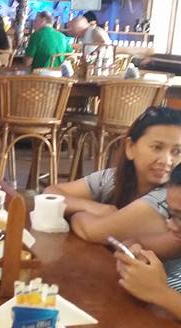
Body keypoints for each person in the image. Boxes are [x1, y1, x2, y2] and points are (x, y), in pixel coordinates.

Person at [47, 107, 181, 224]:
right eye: (157, 147)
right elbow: (50, 193)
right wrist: (92, 207)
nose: (166, 160)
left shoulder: (170, 195)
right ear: (130, 147)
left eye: (177, 151)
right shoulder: (112, 178)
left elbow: (95, 230)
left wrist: (75, 214)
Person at [115, 163, 181, 307]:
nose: (170, 225)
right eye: (170, 214)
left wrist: (159, 292)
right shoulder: (176, 242)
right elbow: (134, 242)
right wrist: (133, 254)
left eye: (179, 217)